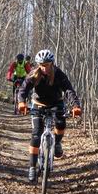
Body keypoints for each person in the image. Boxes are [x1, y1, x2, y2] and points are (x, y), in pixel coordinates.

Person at [17, 49, 82, 183]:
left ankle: (57, 142)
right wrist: (21, 102)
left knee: (61, 124)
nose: (44, 68)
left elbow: (68, 90)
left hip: (56, 103)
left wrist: (75, 106)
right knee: (36, 135)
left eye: (46, 65)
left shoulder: (58, 74)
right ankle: (32, 167)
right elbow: (23, 89)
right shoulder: (34, 73)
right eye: (41, 65)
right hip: (38, 104)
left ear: (52, 63)